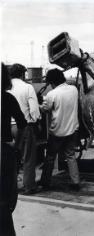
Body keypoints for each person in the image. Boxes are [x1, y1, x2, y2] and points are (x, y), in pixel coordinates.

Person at [39, 68, 80, 191]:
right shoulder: (74, 89)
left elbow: (45, 109)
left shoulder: (52, 94)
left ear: (52, 82)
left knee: (50, 157)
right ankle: (75, 182)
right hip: (73, 128)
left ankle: (45, 183)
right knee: (71, 155)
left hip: (57, 131)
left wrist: (40, 103)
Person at [1, 63, 27, 236]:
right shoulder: (7, 98)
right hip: (3, 150)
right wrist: (15, 146)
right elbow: (22, 124)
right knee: (5, 201)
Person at [8, 63, 41, 195]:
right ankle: (29, 187)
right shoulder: (27, 87)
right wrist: (36, 121)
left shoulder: (5, 88)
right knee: (28, 157)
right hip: (24, 126)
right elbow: (34, 109)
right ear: (23, 74)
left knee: (11, 158)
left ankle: (11, 186)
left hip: (7, 127)